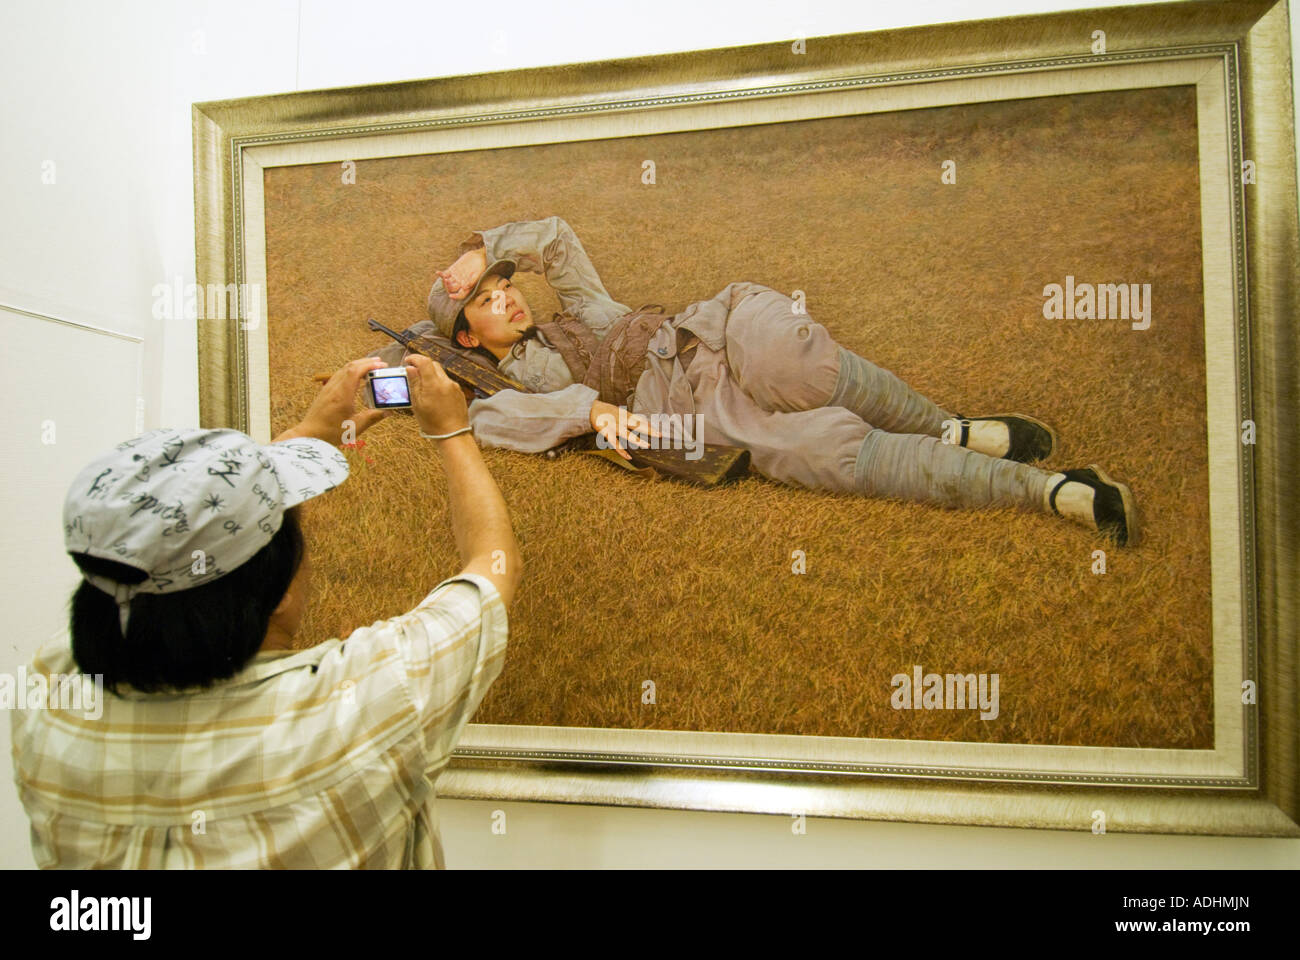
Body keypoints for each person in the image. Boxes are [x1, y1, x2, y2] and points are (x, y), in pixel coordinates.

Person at [10, 353, 521, 868]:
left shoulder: (50, 698)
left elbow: (163, 556)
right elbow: (491, 567)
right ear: (275, 596)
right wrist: (452, 431)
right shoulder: (365, 704)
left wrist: (305, 437)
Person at [383, 215, 1136, 545]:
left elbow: (552, 235)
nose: (507, 297)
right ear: (465, 335)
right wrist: (588, 413)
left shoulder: (580, 307)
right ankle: (1055, 490)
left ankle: (952, 428)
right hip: (695, 417)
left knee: (801, 368)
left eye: (503, 286)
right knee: (833, 455)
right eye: (485, 300)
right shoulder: (497, 388)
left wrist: (483, 247)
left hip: (716, 329)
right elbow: (488, 425)